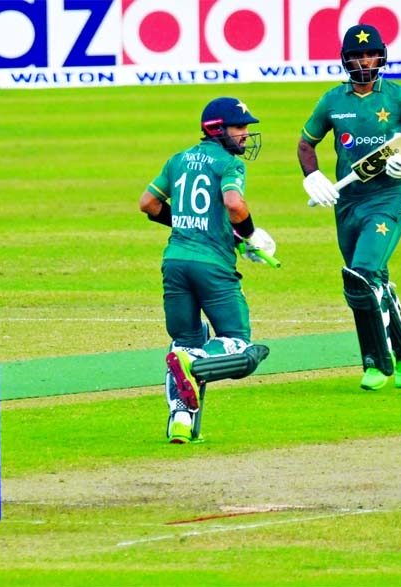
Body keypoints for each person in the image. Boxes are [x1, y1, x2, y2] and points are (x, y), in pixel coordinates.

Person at [298, 24, 401, 391]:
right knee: (376, 279)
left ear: (381, 55)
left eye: (369, 53)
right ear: (345, 59)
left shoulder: (400, 98)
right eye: (356, 55)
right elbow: (306, 144)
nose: (363, 61)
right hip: (347, 204)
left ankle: (376, 362)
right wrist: (313, 176)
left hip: (386, 200)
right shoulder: (332, 101)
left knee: (361, 276)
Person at [140, 97, 274, 444]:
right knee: (237, 343)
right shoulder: (228, 164)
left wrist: (194, 224)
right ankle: (195, 360)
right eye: (239, 127)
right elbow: (234, 204)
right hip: (212, 266)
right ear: (217, 129)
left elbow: (148, 204)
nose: (245, 134)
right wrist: (249, 235)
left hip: (175, 261)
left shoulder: (178, 159)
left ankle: (180, 423)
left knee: (182, 343)